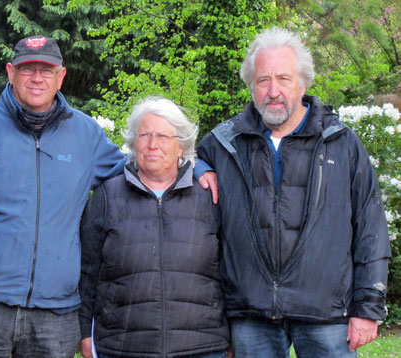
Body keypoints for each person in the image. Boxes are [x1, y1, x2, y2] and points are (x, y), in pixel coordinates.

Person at [0, 35, 129, 357]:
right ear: (10, 72)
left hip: (55, 316)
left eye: (46, 70)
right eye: (28, 69)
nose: (37, 78)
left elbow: (139, 173)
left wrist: (195, 170)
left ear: (61, 76)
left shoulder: (86, 136)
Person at [196, 27, 391, 357]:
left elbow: (370, 226)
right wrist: (199, 167)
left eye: (283, 79)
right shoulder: (222, 144)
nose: (273, 91)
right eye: (263, 80)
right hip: (251, 313)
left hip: (327, 314)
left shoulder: (341, 142)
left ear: (303, 83)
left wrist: (368, 306)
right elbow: (173, 164)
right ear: (251, 87)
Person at [78, 97, 230, 358]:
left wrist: (231, 337)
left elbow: (229, 272)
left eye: (162, 136)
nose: (152, 144)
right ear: (133, 143)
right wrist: (84, 332)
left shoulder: (210, 198)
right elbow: (87, 271)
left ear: (181, 146)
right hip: (122, 346)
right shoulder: (107, 196)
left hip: (202, 347)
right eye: (144, 135)